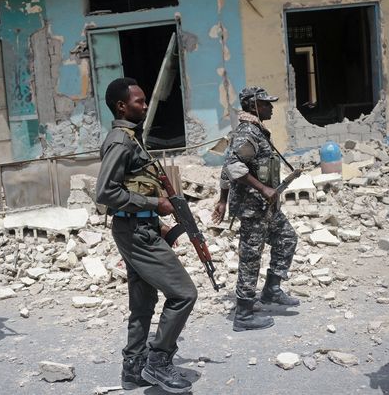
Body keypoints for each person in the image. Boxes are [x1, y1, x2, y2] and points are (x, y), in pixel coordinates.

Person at [95, 77, 197, 394]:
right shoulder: (120, 141)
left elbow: (131, 185)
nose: (144, 104)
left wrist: (159, 222)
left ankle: (134, 369)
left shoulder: (132, 138)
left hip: (139, 226)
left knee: (143, 304)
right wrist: (156, 204)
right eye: (138, 101)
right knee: (184, 294)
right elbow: (105, 192)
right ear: (121, 106)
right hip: (135, 233)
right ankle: (159, 362)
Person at [212, 86, 299, 332]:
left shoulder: (258, 132)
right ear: (253, 106)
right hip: (253, 208)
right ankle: (244, 313)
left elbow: (228, 166)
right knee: (250, 258)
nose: (271, 107)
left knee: (287, 239)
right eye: (266, 103)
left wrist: (222, 199)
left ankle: (271, 289)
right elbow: (231, 165)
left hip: (266, 208)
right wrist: (261, 189)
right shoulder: (247, 133)